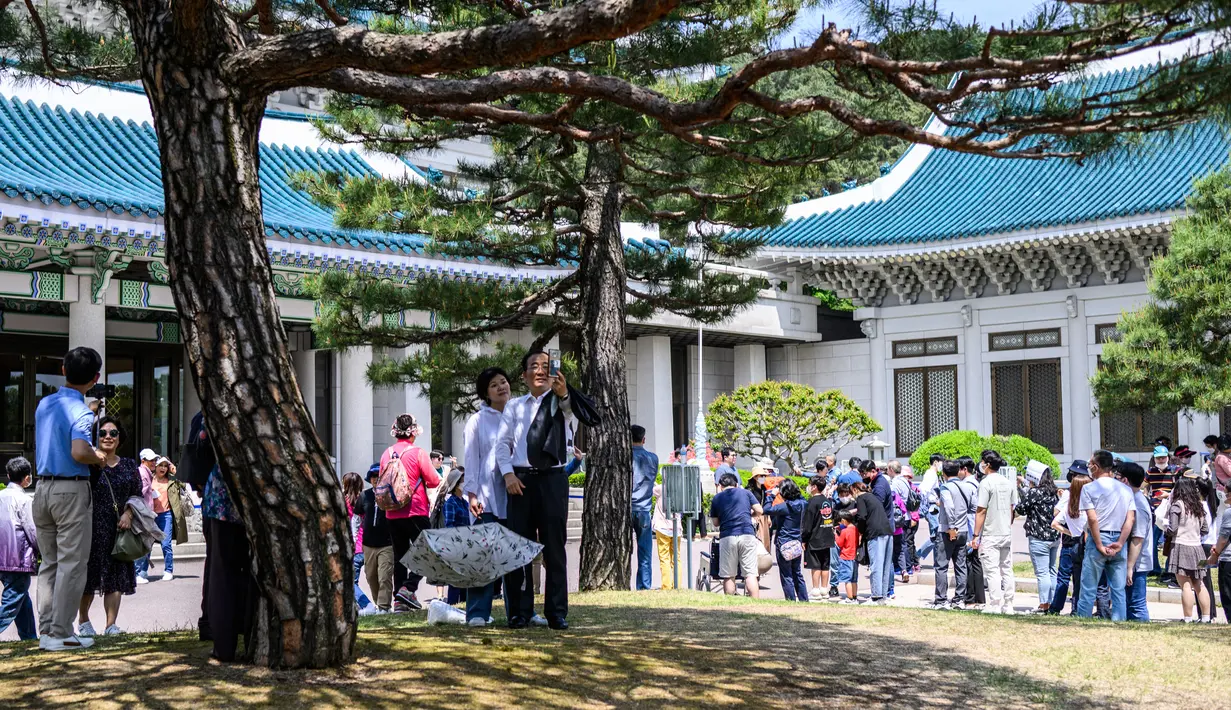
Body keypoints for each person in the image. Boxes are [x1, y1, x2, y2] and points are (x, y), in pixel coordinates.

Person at [496, 349, 599, 630]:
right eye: (534, 366)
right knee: (519, 548)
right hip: (521, 482)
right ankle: (519, 611)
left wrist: (564, 392)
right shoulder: (514, 406)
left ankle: (556, 612)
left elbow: (570, 412)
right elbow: (503, 445)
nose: (540, 371)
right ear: (524, 375)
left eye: (545, 366)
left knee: (555, 548)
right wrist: (507, 475)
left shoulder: (561, 403)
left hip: (553, 480)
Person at [32, 346, 106, 651]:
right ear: (95, 378)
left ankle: (47, 630)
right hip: (71, 489)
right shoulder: (81, 413)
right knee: (72, 563)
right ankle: (62, 632)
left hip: (42, 487)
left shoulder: (44, 404)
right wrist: (98, 455)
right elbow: (78, 451)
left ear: (63, 370)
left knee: (49, 562)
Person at [78, 416, 143, 637]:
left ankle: (110, 625)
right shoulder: (87, 465)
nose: (108, 437)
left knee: (116, 576)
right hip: (91, 527)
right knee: (87, 577)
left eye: (113, 433)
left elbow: (137, 495)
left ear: (119, 438)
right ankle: (84, 621)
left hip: (119, 528)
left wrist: (128, 513)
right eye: (103, 433)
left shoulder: (129, 465)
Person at [463, 367, 512, 626]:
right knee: (483, 557)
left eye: (503, 382)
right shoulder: (478, 421)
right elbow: (471, 460)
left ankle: (519, 610)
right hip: (486, 497)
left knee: (515, 557)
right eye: (494, 385)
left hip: (515, 496)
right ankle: (478, 612)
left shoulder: (519, 415)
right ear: (486, 393)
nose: (502, 387)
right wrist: (471, 495)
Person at [382, 413, 440, 613]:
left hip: (392, 511)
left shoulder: (387, 453)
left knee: (400, 556)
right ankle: (409, 588)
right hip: (415, 509)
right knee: (427, 549)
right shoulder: (418, 453)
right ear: (413, 432)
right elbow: (434, 480)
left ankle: (399, 600)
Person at [1076, 449, 1135, 621]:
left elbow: (1092, 519)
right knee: (1118, 590)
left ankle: (1083, 621)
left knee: (1088, 588)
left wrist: (1100, 544)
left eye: (1090, 465)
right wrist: (1120, 543)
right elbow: (1130, 519)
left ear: (1095, 466)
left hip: (1097, 539)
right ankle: (1119, 621)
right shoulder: (1126, 489)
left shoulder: (1088, 489)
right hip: (1119, 539)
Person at [0, 457, 39, 640]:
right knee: (12, 601)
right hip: (17, 557)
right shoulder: (24, 499)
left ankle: (29, 637)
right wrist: (42, 550)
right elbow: (32, 530)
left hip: (2, 557)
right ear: (27, 478)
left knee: (22, 600)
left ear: (8, 475)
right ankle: (29, 637)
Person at [1165, 475, 1211, 622]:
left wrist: (1164, 528)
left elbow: (1172, 529)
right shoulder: (1199, 505)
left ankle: (1187, 618)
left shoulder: (1177, 505)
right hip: (1198, 549)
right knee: (1200, 583)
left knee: (1185, 585)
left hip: (1180, 546)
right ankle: (1205, 617)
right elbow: (1205, 530)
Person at [710, 473, 763, 598]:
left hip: (727, 536)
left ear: (721, 486)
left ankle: (731, 605)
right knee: (750, 573)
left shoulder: (717, 498)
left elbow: (716, 523)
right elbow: (760, 511)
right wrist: (748, 515)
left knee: (729, 575)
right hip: (747, 535)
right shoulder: (746, 493)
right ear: (736, 484)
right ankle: (756, 604)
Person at [1047, 461, 1090, 615]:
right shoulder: (1080, 497)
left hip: (1070, 542)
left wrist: (1069, 531)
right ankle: (1076, 608)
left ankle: (1056, 607)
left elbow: (1055, 516)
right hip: (1082, 541)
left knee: (1064, 577)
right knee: (1079, 578)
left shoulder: (1068, 495)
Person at [1015, 464, 1060, 613]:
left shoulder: (1034, 492)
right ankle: (1052, 603)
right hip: (1054, 536)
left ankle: (1043, 605)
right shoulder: (1053, 492)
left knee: (1042, 573)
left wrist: (1022, 489)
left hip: (1038, 537)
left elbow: (1020, 508)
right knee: (1052, 571)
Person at [1116, 462, 1152, 622]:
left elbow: (1138, 538)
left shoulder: (1138, 504)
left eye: (1117, 477)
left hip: (1137, 563)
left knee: (1136, 604)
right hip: (1132, 562)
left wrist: (1130, 567)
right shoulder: (1132, 500)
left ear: (1124, 481)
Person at [852, 473, 893, 605]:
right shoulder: (872, 497)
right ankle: (883, 596)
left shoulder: (861, 498)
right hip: (887, 531)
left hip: (875, 533)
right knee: (885, 565)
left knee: (876, 564)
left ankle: (876, 596)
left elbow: (862, 517)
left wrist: (861, 531)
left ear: (854, 490)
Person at [931, 461, 967, 610]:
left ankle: (941, 600)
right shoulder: (966, 486)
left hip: (948, 529)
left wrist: (952, 526)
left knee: (941, 566)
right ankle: (959, 599)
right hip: (963, 529)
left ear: (944, 474)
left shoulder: (945, 487)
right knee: (961, 565)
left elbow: (950, 506)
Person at [764, 479, 808, 602]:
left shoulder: (784, 507)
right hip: (796, 542)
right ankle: (804, 600)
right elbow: (802, 498)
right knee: (797, 573)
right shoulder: (803, 504)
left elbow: (766, 510)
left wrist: (772, 495)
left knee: (786, 574)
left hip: (783, 542)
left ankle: (791, 600)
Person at [360, 465, 394, 614]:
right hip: (368, 544)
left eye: (378, 476)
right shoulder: (364, 496)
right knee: (370, 576)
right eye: (373, 476)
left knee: (384, 576)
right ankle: (378, 603)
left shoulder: (391, 495)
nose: (375, 479)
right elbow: (356, 518)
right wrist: (353, 538)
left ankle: (384, 607)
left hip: (387, 543)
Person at [341, 472, 376, 615]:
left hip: (354, 546)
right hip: (367, 544)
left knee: (350, 582)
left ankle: (366, 605)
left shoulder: (344, 501)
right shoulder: (365, 498)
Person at [630, 425, 659, 591]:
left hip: (627, 508)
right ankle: (644, 586)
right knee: (645, 552)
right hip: (644, 509)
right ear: (644, 439)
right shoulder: (653, 458)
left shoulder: (625, 457)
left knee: (623, 550)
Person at [436, 467, 470, 605]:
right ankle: (451, 606)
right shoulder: (451, 502)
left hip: (466, 545)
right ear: (456, 484)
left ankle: (463, 605)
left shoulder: (464, 502)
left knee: (465, 582)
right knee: (455, 581)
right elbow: (449, 525)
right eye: (462, 480)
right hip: (456, 545)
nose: (465, 482)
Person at [955, 457, 985, 608]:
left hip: (969, 525)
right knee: (976, 561)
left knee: (967, 561)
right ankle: (980, 597)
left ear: (964, 469)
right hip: (978, 525)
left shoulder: (966, 485)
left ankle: (970, 596)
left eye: (959, 469)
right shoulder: (977, 483)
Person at [1145, 444, 1177, 584]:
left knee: (1169, 541)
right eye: (1158, 458)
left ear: (1168, 457)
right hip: (1155, 510)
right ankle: (1155, 568)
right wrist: (1146, 496)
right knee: (1152, 540)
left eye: (1163, 457)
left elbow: (1178, 490)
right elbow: (1144, 486)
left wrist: (1167, 494)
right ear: (1154, 459)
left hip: (1170, 510)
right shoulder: (1150, 472)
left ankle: (1169, 568)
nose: (1161, 460)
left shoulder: (1174, 471)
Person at [802, 475, 836, 601]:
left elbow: (808, 523)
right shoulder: (827, 501)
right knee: (825, 565)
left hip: (815, 538)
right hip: (827, 536)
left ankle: (816, 590)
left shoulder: (811, 502)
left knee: (815, 565)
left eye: (810, 484)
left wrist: (804, 539)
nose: (809, 487)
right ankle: (824, 589)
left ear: (815, 487)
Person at [148, 457, 179, 582]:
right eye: (161, 465)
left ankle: (168, 570)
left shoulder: (171, 481)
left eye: (165, 466)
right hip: (151, 516)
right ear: (155, 466)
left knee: (166, 544)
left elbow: (182, 479)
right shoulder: (149, 479)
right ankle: (142, 571)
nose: (163, 468)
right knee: (147, 545)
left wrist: (172, 466)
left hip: (166, 515)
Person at [133, 448, 161, 584]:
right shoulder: (143, 474)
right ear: (143, 461)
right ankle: (137, 574)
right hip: (143, 514)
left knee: (145, 544)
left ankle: (140, 573)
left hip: (145, 513)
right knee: (142, 544)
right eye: (151, 460)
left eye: (155, 460)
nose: (154, 462)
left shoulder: (146, 473)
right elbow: (139, 494)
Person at [1204, 495, 1231, 623]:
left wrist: (1215, 554)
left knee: (1227, 595)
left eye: (1226, 493)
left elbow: (1224, 537)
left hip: (1228, 559)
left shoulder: (1229, 513)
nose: (1224, 496)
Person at [916, 454, 943, 565]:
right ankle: (918, 555)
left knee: (936, 535)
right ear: (936, 462)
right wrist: (932, 501)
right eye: (941, 462)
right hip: (932, 507)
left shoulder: (932, 474)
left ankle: (935, 561)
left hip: (933, 506)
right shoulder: (931, 474)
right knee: (936, 535)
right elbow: (924, 490)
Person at [834, 509, 859, 603]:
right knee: (854, 579)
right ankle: (854, 597)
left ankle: (849, 598)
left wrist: (836, 534)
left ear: (844, 520)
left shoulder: (844, 531)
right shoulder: (855, 529)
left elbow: (840, 543)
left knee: (847, 580)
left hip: (846, 557)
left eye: (840, 521)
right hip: (854, 557)